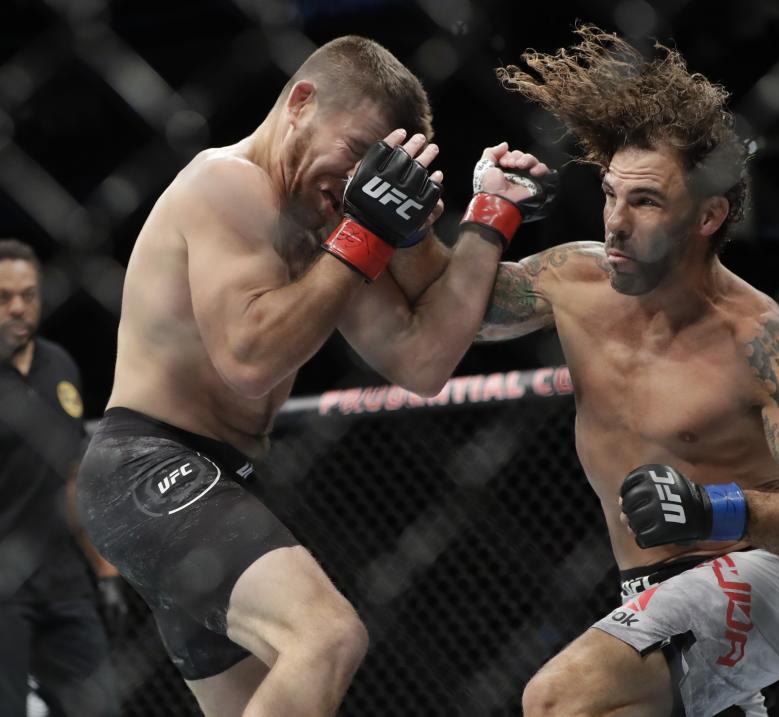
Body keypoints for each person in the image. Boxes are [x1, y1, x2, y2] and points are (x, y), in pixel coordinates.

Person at [75, 34, 554, 717]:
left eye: (378, 168)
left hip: (209, 481)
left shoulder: (328, 225)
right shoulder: (228, 183)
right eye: (357, 151)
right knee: (326, 636)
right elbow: (249, 361)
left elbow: (421, 362)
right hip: (146, 467)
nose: (362, 180)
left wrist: (488, 218)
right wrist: (366, 232)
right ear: (301, 104)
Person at [413, 26, 779, 716]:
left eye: (646, 201)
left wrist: (717, 505)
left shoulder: (768, 344)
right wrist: (459, 215)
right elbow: (459, 313)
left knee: (556, 698)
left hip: (755, 575)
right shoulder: (574, 277)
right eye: (610, 194)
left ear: (708, 214)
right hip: (645, 595)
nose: (615, 223)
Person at [0, 239, 123, 717]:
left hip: (65, 579)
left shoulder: (60, 366)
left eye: (27, 295)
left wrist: (105, 572)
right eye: (4, 296)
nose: (17, 308)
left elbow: (74, 480)